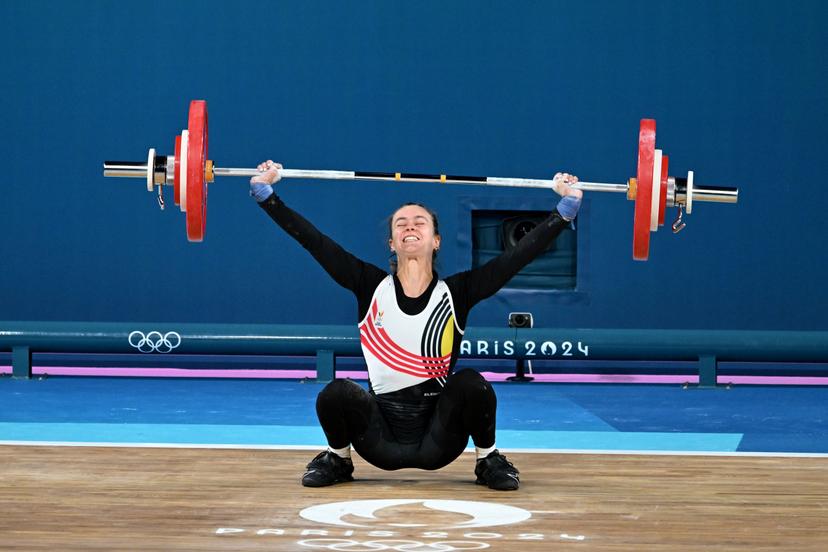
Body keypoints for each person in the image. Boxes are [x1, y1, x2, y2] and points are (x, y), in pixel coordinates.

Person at [250, 161, 582, 491]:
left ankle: (488, 459)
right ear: (392, 243)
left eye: (419, 222)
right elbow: (315, 242)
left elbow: (516, 258)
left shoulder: (457, 292)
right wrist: (268, 197)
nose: (410, 227)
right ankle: (338, 458)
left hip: (439, 439)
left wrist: (563, 211)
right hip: (379, 441)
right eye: (401, 224)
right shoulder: (368, 285)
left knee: (472, 383)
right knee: (335, 393)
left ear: (436, 240)